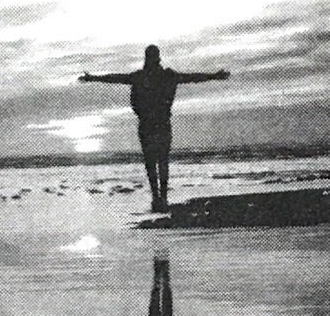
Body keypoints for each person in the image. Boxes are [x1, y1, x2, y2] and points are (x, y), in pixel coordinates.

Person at [78, 45, 229, 211]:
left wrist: (93, 78)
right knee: (161, 161)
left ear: (147, 58)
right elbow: (192, 77)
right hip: (160, 124)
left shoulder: (144, 77)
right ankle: (161, 198)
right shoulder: (166, 76)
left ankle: (158, 198)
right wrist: (214, 76)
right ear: (158, 58)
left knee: (152, 162)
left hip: (149, 124)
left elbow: (116, 78)